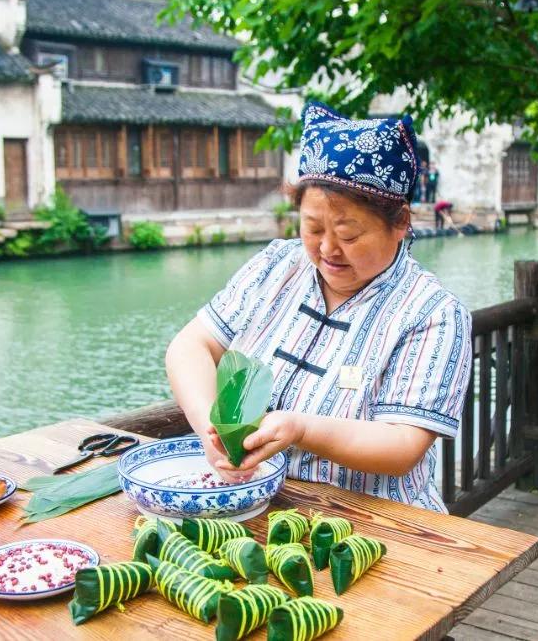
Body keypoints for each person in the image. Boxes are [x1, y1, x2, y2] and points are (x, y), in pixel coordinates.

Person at [165, 102, 473, 512]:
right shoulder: (276, 265)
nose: (327, 249)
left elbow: (402, 444)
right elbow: (191, 347)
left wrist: (302, 429)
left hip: (376, 526)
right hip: (260, 509)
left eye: (349, 234)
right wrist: (211, 428)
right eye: (312, 228)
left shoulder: (433, 313)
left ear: (400, 223)